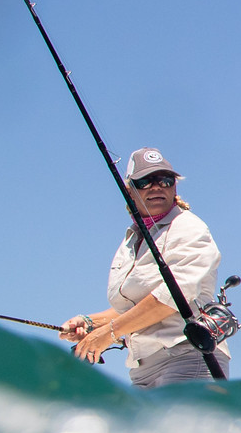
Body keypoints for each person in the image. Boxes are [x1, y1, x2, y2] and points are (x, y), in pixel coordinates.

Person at [59, 148, 231, 387]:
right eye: (144, 182)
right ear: (129, 192)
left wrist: (108, 334)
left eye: (165, 180)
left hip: (188, 356)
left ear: (174, 187)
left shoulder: (189, 227)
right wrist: (90, 322)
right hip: (142, 370)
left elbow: (172, 296)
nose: (156, 186)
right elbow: (133, 306)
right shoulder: (131, 239)